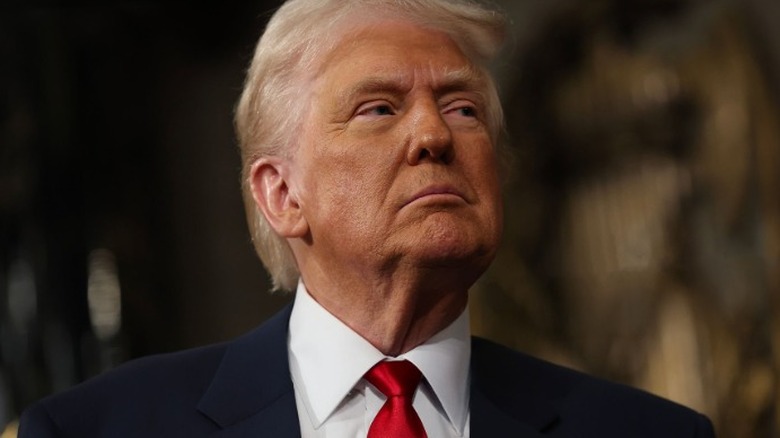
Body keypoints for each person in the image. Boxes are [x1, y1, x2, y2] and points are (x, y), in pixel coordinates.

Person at [19, 0, 716, 436]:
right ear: (281, 195)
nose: (435, 136)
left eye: (463, 108)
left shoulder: (644, 430)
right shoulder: (101, 428)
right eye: (378, 108)